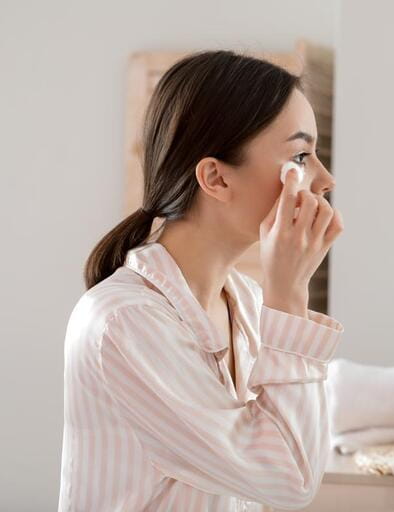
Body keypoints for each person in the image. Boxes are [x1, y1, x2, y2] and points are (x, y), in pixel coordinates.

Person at [57, 49, 345, 511]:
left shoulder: (246, 303)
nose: (325, 179)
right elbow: (290, 480)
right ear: (215, 177)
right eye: (301, 155)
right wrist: (289, 294)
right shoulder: (125, 322)